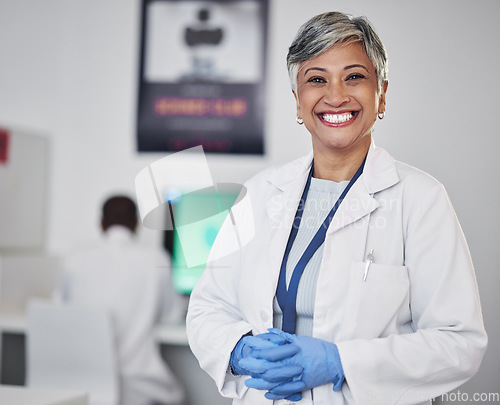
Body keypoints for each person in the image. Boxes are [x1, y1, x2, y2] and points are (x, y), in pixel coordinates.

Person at [186, 11, 487, 405]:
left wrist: (339, 361)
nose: (336, 95)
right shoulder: (259, 194)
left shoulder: (420, 199)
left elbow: (458, 342)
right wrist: (240, 350)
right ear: (298, 102)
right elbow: (208, 307)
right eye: (316, 79)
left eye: (354, 76)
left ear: (381, 94)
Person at [56, 195, 185, 405]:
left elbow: (60, 310)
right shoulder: (157, 260)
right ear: (136, 224)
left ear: (101, 222)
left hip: (80, 387)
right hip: (138, 388)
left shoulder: (74, 258)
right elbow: (173, 316)